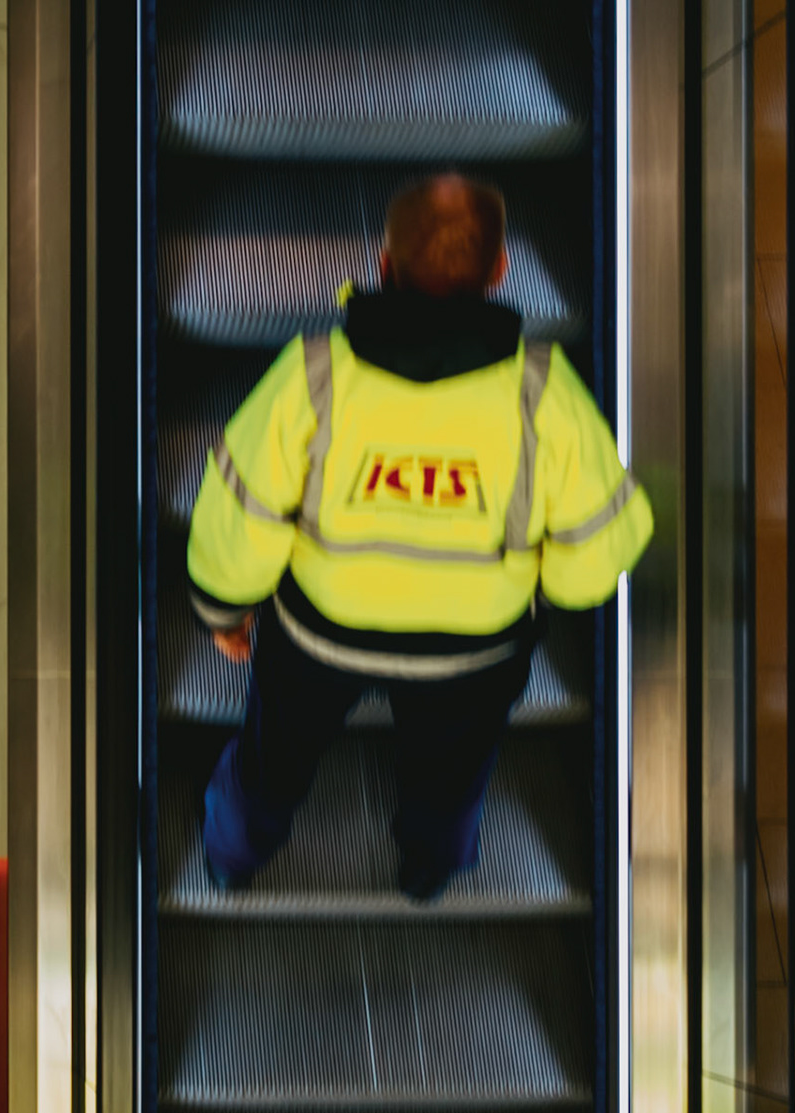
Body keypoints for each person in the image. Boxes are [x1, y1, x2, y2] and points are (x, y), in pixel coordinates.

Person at [187, 172, 652, 901]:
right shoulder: (545, 395)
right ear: (500, 271)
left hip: (320, 635)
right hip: (474, 651)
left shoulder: (313, 376)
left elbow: (240, 510)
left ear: (382, 263)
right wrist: (546, 594)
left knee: (272, 757)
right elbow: (597, 547)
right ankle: (428, 867)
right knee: (451, 774)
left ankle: (232, 855)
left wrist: (223, 610)